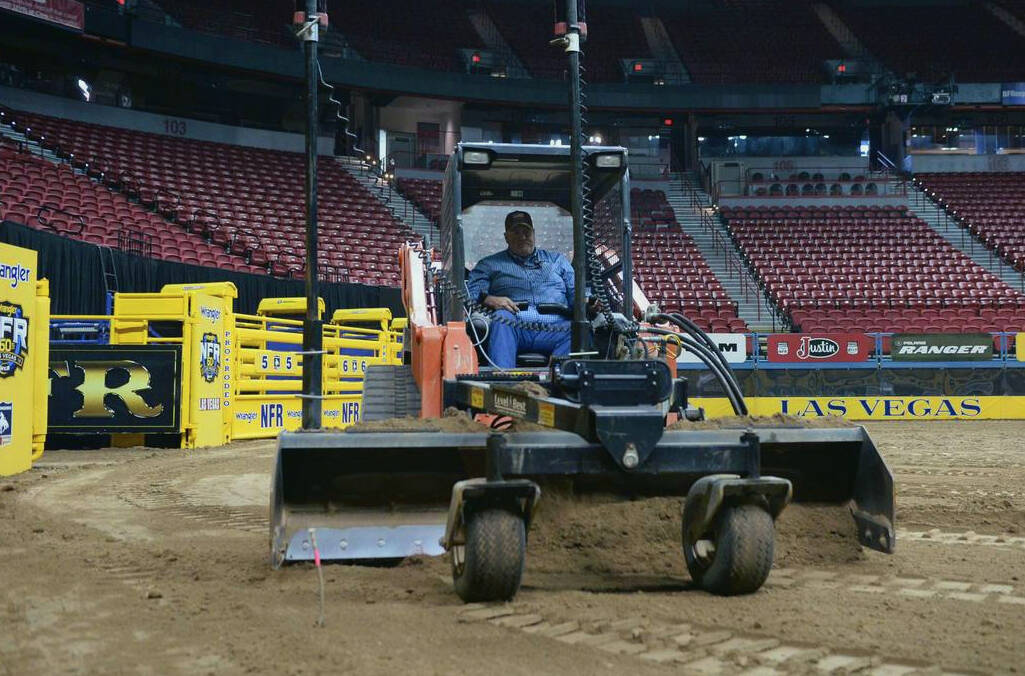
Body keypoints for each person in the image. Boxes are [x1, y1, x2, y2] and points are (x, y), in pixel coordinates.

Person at [465, 210, 573, 368]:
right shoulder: (489, 264)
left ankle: (560, 379)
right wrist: (488, 299)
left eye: (526, 232)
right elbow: (470, 294)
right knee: (502, 317)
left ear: (534, 234)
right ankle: (503, 381)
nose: (522, 237)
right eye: (516, 232)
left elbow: (577, 293)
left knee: (578, 329)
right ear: (506, 237)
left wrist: (588, 302)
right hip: (515, 326)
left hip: (555, 328)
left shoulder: (558, 261)